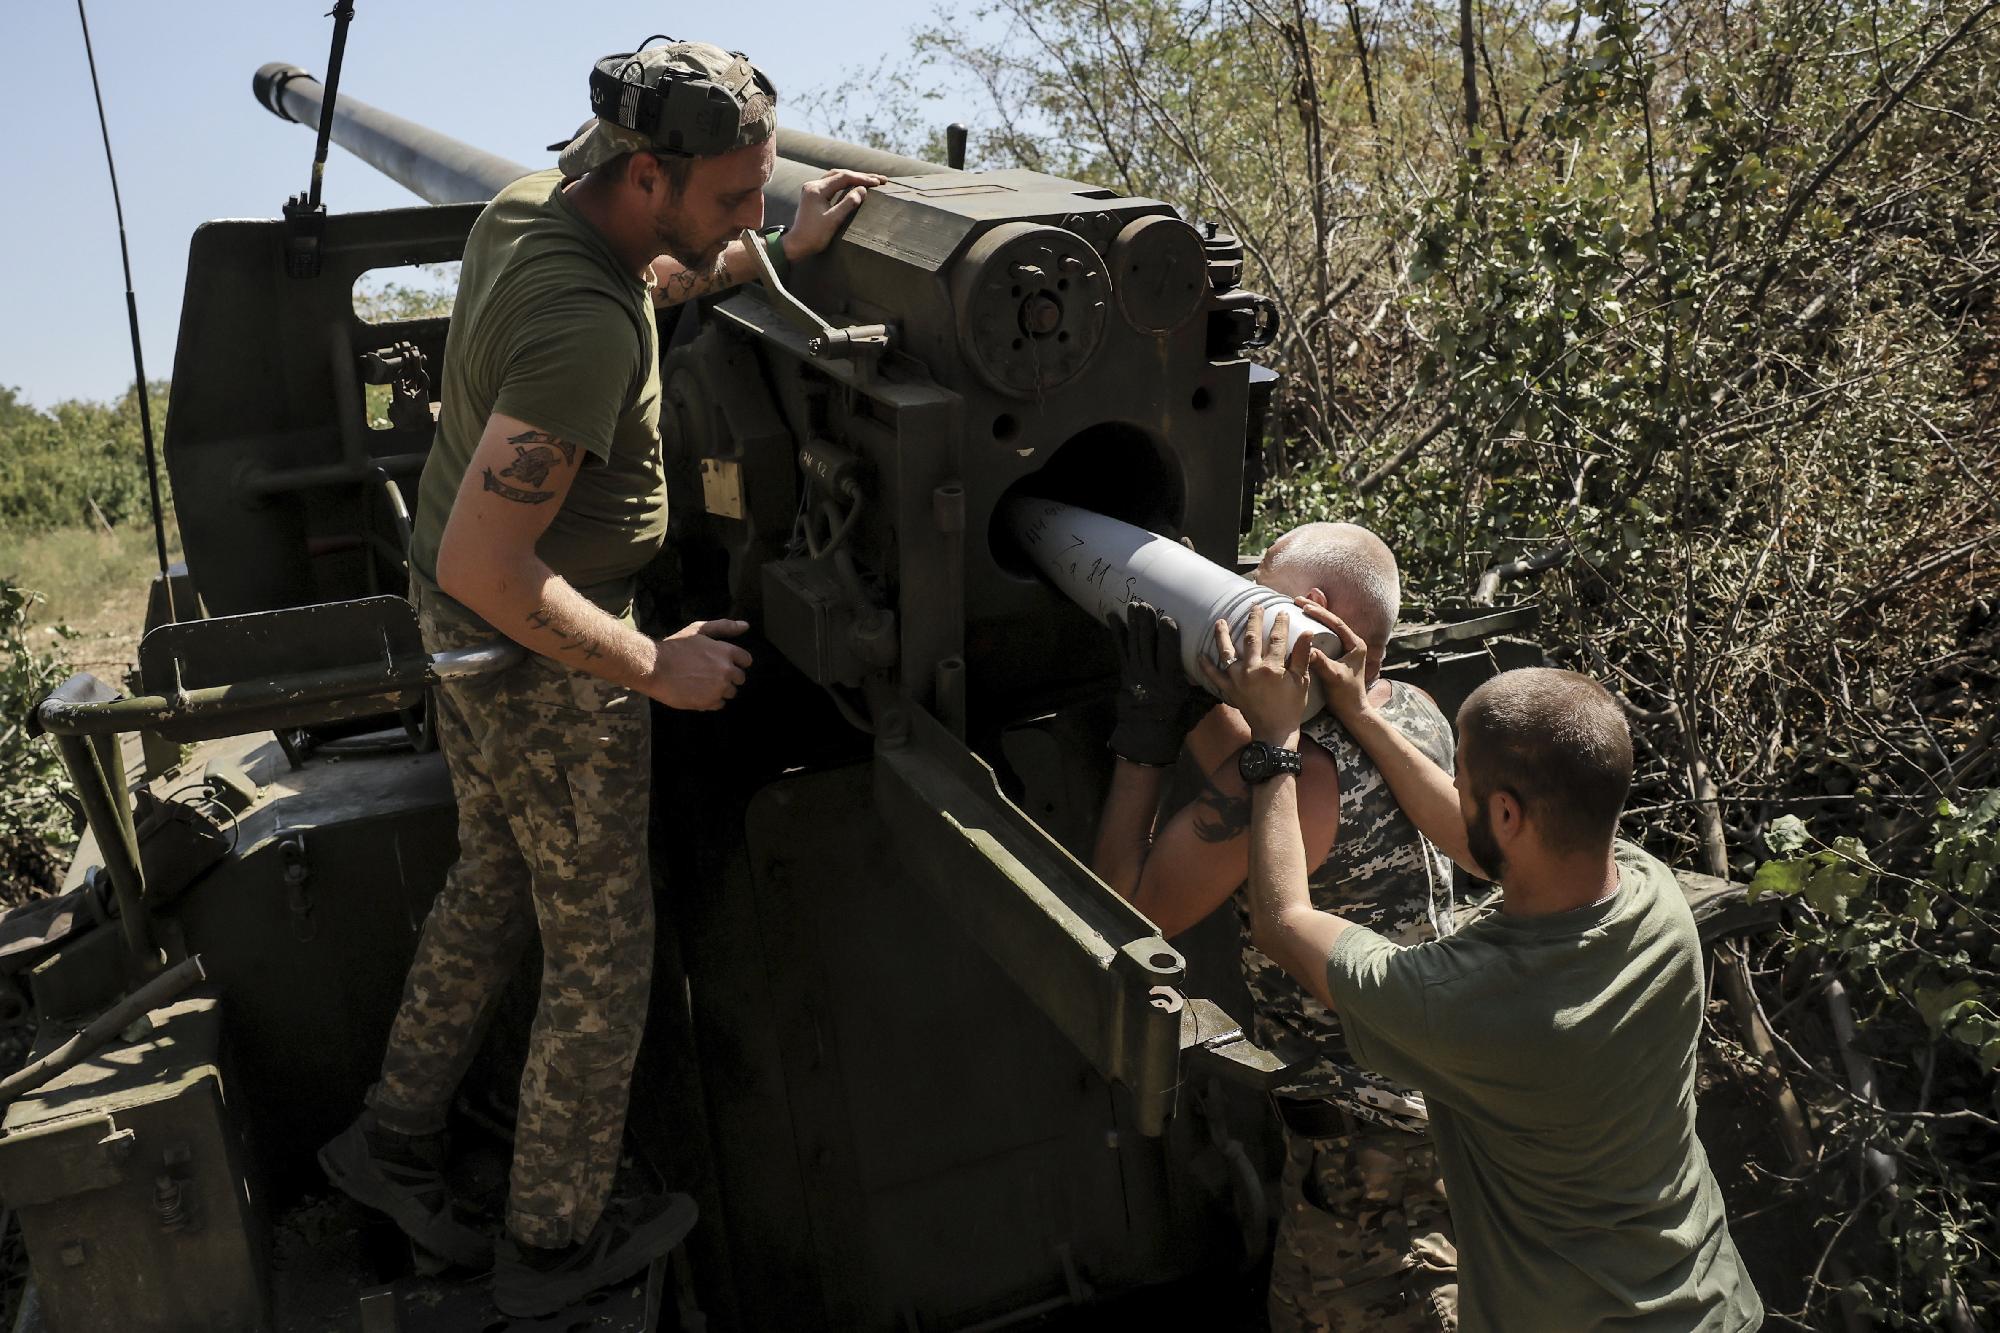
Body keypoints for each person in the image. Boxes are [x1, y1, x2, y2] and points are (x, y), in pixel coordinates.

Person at [316, 40, 884, 1318]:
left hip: (468, 637)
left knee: (494, 874)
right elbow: (488, 555)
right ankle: (553, 1249)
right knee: (604, 956)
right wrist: (655, 666)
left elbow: (661, 274)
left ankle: (391, 1140)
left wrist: (768, 254)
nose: (756, 207)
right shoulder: (577, 327)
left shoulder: (537, 209)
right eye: (739, 194)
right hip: (539, 653)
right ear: (644, 172)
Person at [1203, 600, 1763, 1333]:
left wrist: (1275, 738)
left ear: (1506, 814)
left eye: (1457, 774)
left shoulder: (1465, 1000)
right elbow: (1480, 846)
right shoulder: (1651, 894)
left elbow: (1284, 924)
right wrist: (1364, 716)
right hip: (1711, 1302)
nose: (1452, 786)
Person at [1089, 523, 1460, 1331]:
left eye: (1261, 592)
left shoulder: (1310, 775)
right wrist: (1204, 689)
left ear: (1311, 612)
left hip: (1363, 1174)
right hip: (1431, 1116)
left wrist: (1146, 735)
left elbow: (1127, 912)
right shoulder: (1415, 714)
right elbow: (1267, 770)